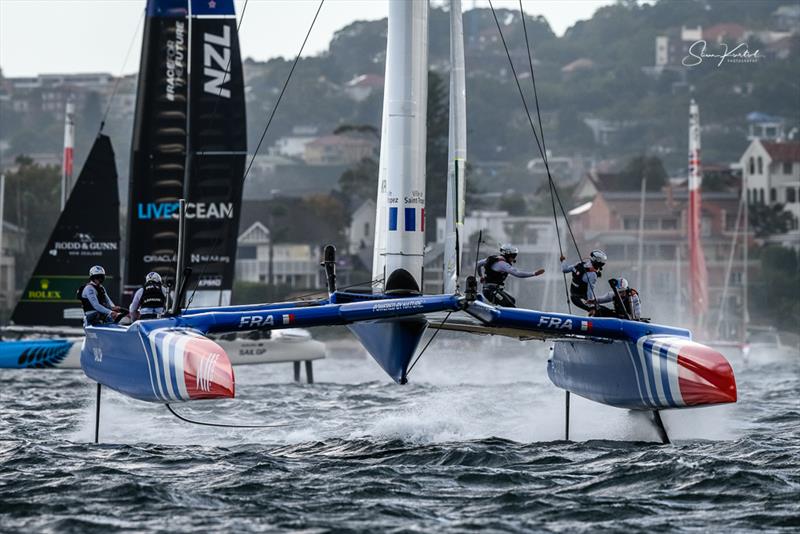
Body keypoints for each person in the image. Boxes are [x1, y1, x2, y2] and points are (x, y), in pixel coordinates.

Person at [477, 244, 545, 307]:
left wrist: (481, 276)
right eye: (513, 256)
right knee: (510, 305)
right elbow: (518, 274)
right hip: (491, 291)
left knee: (512, 300)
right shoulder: (502, 264)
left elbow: (478, 264)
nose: (514, 258)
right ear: (507, 255)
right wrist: (534, 273)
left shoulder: (493, 259)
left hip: (489, 289)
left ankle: (500, 315)